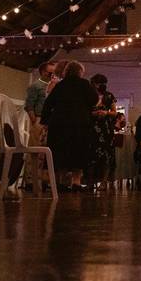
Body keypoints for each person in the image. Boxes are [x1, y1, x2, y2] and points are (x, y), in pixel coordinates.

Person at [41, 61, 99, 192]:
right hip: (80, 124)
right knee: (79, 152)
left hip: (59, 125)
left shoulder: (60, 85)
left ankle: (61, 181)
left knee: (61, 152)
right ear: (80, 72)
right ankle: (76, 182)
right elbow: (94, 99)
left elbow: (48, 103)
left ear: (66, 71)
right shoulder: (85, 84)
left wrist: (44, 122)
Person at [23, 61, 54, 192]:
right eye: (50, 72)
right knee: (34, 150)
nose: (52, 75)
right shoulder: (36, 86)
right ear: (43, 72)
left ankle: (42, 178)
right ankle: (30, 179)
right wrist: (34, 119)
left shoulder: (54, 86)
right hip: (39, 119)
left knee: (44, 152)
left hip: (49, 121)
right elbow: (29, 104)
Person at [86, 73, 117, 189]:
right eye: (99, 83)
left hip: (106, 129)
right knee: (91, 155)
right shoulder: (89, 96)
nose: (101, 86)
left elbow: (114, 113)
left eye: (103, 84)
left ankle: (104, 182)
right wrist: (93, 113)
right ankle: (90, 182)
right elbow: (84, 110)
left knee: (106, 155)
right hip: (92, 128)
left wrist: (106, 113)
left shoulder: (109, 96)